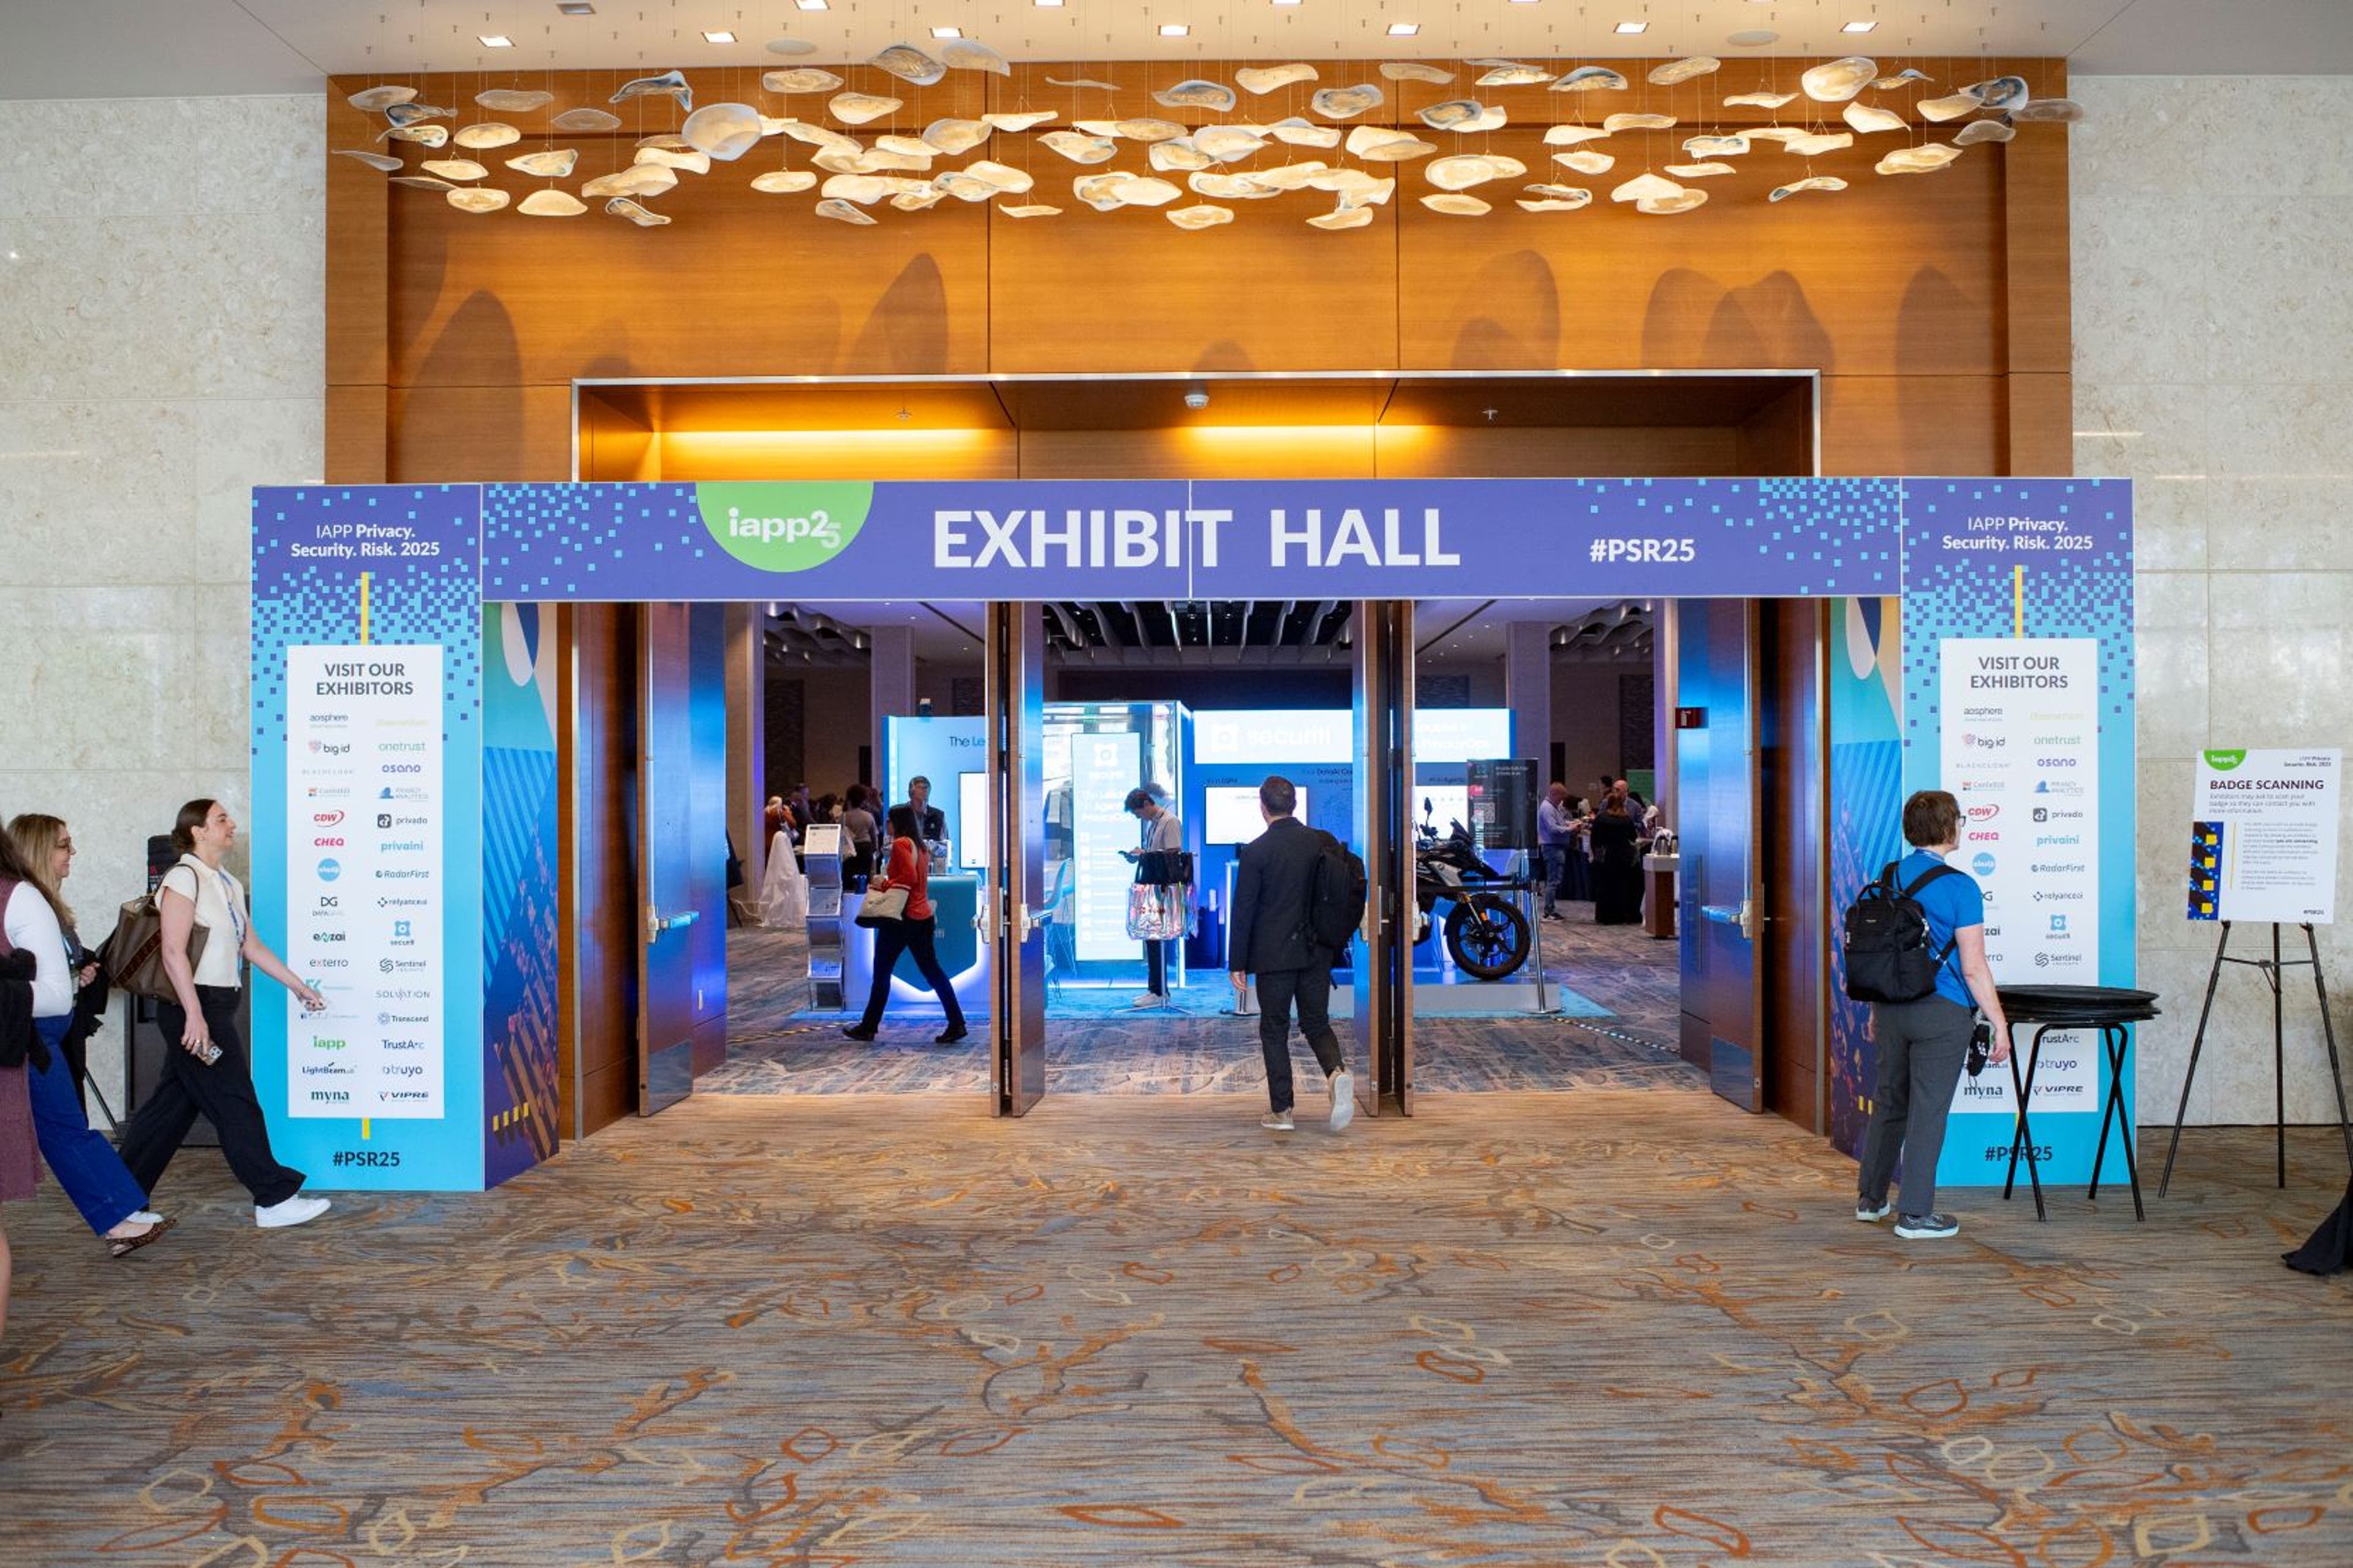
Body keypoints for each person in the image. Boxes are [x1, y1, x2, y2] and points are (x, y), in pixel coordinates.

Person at [118, 800, 332, 1230]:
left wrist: (298, 986)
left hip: (214, 1006)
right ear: (197, 831)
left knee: (169, 1111)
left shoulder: (228, 882)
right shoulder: (183, 877)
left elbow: (250, 946)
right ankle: (273, 1197)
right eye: (221, 819)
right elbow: (173, 950)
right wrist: (194, 1015)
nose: (232, 824)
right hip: (192, 1009)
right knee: (236, 1102)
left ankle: (118, 1199)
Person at [0, 824, 171, 1256]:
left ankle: (118, 1215)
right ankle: (119, 1216)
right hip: (31, 1033)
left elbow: (53, 989)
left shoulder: (26, 899)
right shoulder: (30, 900)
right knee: (66, 1128)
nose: (72, 852)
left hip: (33, 1034)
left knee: (65, 1128)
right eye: (63, 845)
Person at [1856, 790, 2012, 1241]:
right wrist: (1998, 1020)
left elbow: (1881, 952)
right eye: (1958, 819)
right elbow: (1973, 966)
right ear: (1948, 827)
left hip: (1890, 1008)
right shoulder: (1961, 886)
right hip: (1940, 1013)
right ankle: (1916, 1215)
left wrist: (1874, 1009)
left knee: (1890, 1102)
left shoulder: (1888, 877)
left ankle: (1871, 1199)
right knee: (1928, 1110)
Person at [1228, 775, 1352, 1134]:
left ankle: (1282, 1111)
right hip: (1318, 951)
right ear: (1294, 804)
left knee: (1274, 1028)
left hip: (1273, 955)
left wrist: (1238, 962)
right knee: (1316, 1022)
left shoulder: (1257, 851)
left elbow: (1244, 911)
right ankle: (1336, 1073)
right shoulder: (1321, 843)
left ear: (1262, 807)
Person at [842, 805, 969, 1046]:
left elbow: (907, 878)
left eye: (889, 820)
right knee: (933, 972)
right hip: (922, 917)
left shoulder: (901, 844)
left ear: (897, 823)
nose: (886, 825)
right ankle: (957, 1022)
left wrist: (885, 885)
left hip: (902, 919)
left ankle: (868, 1027)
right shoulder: (920, 847)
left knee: (882, 972)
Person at [1122, 786, 1186, 1008]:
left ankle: (1159, 992)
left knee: (1157, 940)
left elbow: (1173, 854)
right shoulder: (1154, 823)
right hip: (1152, 887)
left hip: (1164, 890)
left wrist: (1145, 855)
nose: (1139, 817)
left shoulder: (1170, 821)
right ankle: (1156, 990)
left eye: (1139, 813)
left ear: (1147, 804)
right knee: (1151, 939)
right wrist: (1141, 857)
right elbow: (1157, 854)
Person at [1589, 797, 1644, 925]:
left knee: (1606, 887)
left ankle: (1605, 916)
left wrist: (1596, 855)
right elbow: (1633, 837)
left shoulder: (1601, 818)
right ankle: (1622, 915)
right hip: (1623, 856)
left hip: (1606, 855)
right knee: (1623, 886)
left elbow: (1594, 838)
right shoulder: (1626, 819)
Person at [1536, 782, 1577, 922]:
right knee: (1552, 881)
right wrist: (1571, 829)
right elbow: (1553, 829)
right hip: (1552, 847)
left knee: (1554, 880)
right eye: (1561, 797)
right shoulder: (1547, 808)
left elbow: (1560, 823)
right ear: (1554, 794)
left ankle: (1550, 909)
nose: (1563, 800)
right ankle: (1549, 911)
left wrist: (1570, 825)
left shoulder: (1554, 807)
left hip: (1556, 847)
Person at [901, 776, 948, 864]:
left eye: (925, 800)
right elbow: (888, 846)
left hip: (930, 868)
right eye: (918, 801)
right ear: (910, 796)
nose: (922, 804)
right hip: (905, 865)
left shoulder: (939, 816)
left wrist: (930, 849)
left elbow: (945, 846)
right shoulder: (898, 814)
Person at [839, 784, 879, 884]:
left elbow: (839, 835)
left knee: (848, 880)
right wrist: (874, 849)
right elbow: (874, 837)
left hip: (849, 851)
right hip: (865, 849)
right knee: (864, 880)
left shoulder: (843, 816)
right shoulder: (868, 816)